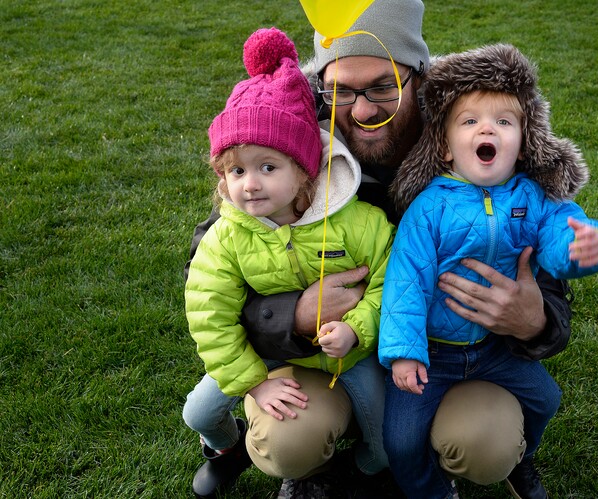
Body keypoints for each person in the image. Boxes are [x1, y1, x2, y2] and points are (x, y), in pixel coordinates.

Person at [186, 1, 575, 498]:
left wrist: (537, 320)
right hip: (325, 355)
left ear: (419, 75)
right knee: (292, 437)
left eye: (384, 86)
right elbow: (206, 262)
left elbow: (544, 263)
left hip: (448, 356)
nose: (364, 109)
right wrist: (293, 315)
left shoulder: (476, 135)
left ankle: (505, 450)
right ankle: (308, 472)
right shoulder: (287, 136)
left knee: (484, 441)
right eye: (342, 90)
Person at [378, 44, 598, 499]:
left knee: (546, 399)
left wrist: (587, 245)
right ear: (445, 148)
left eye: (504, 122)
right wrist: (405, 352)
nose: (488, 127)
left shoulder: (532, 198)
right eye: (470, 121)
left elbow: (559, 237)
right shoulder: (429, 208)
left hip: (492, 348)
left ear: (523, 142)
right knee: (401, 440)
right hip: (432, 354)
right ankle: (432, 492)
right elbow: (406, 281)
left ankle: (521, 460)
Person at [182, 27, 395, 499]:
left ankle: (366, 465)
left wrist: (357, 327)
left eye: (268, 167)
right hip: (263, 352)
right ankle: (226, 448)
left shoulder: (356, 222)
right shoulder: (228, 233)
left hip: (346, 353)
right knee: (197, 413)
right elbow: (208, 313)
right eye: (236, 170)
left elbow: (387, 278)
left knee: (384, 431)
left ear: (305, 169)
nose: (250, 185)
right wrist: (254, 383)